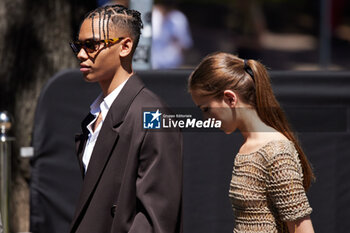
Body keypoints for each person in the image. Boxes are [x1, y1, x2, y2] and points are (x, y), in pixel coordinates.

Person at [69, 4, 183, 233]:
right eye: (79, 46)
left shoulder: (153, 114)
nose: (81, 54)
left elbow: (156, 219)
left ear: (125, 46)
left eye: (91, 45)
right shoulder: (95, 114)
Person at [188, 52, 315, 233]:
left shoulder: (276, 151)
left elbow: (303, 230)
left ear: (230, 99)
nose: (206, 118)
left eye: (206, 109)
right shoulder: (248, 147)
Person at [151, 0, 193, 69]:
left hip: (172, 66)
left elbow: (185, 44)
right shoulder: (149, 16)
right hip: (152, 66)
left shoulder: (179, 18)